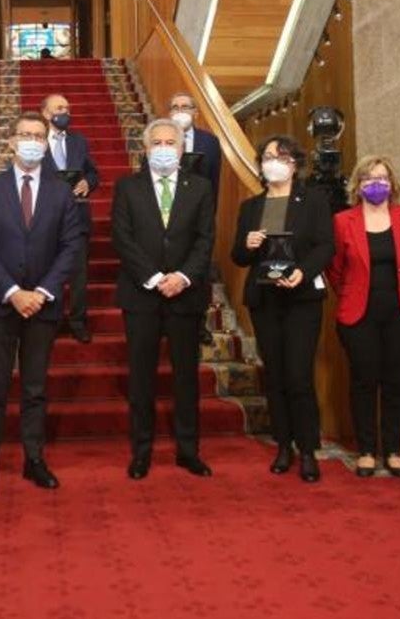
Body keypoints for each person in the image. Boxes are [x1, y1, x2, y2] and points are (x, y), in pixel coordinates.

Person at [0, 112, 82, 495]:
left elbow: (70, 246)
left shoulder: (61, 191)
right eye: (25, 135)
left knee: (35, 388)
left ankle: (35, 459)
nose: (32, 140)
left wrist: (43, 291)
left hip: (44, 305)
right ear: (12, 142)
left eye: (39, 135)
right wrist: (13, 292)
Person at [112, 118, 215, 480]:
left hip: (186, 296)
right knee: (142, 379)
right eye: (157, 142)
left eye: (171, 143)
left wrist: (183, 277)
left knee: (186, 378)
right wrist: (155, 279)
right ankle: (141, 452)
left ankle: (189, 451)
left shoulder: (201, 188)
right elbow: (122, 238)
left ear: (181, 149)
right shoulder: (127, 187)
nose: (164, 148)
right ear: (145, 148)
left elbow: (205, 239)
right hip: (141, 296)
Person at [231, 136, 333, 483]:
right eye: (268, 156)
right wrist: (247, 244)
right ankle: (283, 446)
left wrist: (303, 272)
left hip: (301, 299)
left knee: (299, 375)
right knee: (274, 375)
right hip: (265, 299)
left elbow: (325, 245)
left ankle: (307, 449)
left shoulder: (314, 201)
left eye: (281, 156)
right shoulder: (251, 207)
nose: (274, 161)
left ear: (294, 163)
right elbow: (238, 257)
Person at [327, 156, 400, 478]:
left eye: (382, 178)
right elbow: (335, 270)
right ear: (358, 184)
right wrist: (351, 293)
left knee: (397, 381)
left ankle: (394, 449)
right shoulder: (343, 221)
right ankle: (367, 449)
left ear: (392, 183)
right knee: (364, 381)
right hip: (358, 315)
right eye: (368, 178)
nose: (376, 184)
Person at [40, 93, 100, 343]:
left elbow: (92, 172)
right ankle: (50, 322)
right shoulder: (37, 141)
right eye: (59, 107)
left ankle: (77, 321)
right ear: (46, 113)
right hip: (45, 220)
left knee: (78, 276)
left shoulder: (79, 141)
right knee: (49, 273)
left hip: (77, 217)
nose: (65, 112)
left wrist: (88, 181)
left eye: (67, 107)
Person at [170, 92, 222, 346]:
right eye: (175, 107)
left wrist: (209, 217)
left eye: (185, 106)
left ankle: (199, 325)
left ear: (195, 112)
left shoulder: (210, 142)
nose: (180, 110)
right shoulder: (162, 140)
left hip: (200, 216)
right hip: (169, 216)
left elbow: (215, 182)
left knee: (199, 273)